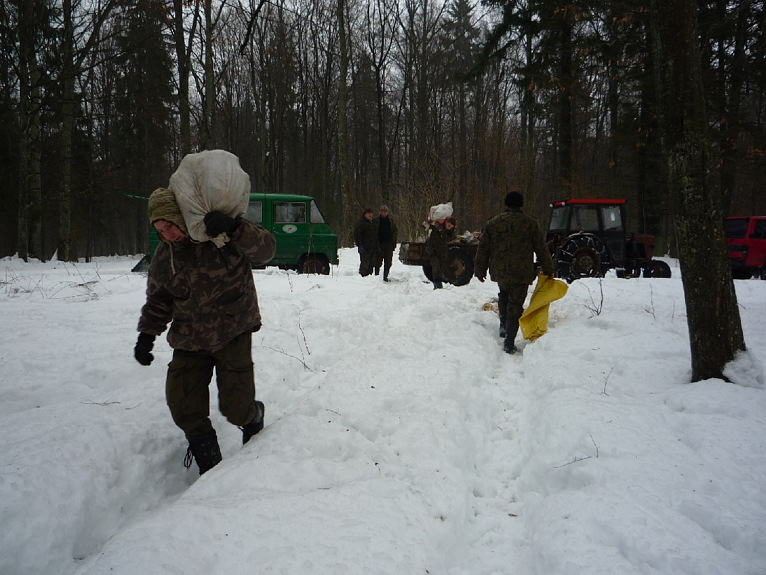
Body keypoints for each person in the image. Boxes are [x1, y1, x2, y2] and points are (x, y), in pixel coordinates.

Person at [133, 187, 276, 475]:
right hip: (189, 337)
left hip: (232, 329)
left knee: (237, 408)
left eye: (170, 226)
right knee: (183, 405)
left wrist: (235, 228)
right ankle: (211, 473)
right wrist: (147, 334)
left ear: (181, 218)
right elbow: (160, 299)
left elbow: (266, 250)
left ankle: (253, 417)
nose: (168, 234)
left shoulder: (221, 237)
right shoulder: (165, 256)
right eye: (160, 230)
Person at [474, 191, 554, 354]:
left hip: (500, 270)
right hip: (522, 272)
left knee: (504, 294)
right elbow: (541, 248)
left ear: (506, 203)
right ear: (521, 204)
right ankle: (509, 342)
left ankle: (504, 326)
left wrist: (479, 270)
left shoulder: (493, 223)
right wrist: (549, 269)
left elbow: (483, 249)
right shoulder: (531, 223)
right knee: (515, 305)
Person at [425, 216, 457, 289]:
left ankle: (438, 285)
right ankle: (438, 286)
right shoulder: (437, 226)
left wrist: (446, 231)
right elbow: (427, 226)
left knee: (441, 268)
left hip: (442, 252)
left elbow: (447, 239)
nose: (449, 227)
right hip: (433, 250)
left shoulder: (450, 233)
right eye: (448, 225)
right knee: (436, 268)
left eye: (451, 226)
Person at [373, 205, 399, 282]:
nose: (384, 212)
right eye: (383, 211)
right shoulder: (376, 221)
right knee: (378, 261)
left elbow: (395, 230)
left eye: (386, 211)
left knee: (388, 261)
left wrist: (393, 240)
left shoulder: (390, 221)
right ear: (380, 212)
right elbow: (373, 231)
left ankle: (385, 277)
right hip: (379, 244)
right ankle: (376, 277)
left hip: (389, 244)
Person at [354, 208, 377, 277]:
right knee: (365, 263)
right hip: (364, 247)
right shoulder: (361, 223)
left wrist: (377, 245)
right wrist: (359, 245)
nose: (370, 215)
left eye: (371, 213)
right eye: (368, 213)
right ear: (365, 214)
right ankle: (363, 277)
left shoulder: (374, 223)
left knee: (372, 263)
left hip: (373, 247)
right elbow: (357, 234)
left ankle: (369, 277)